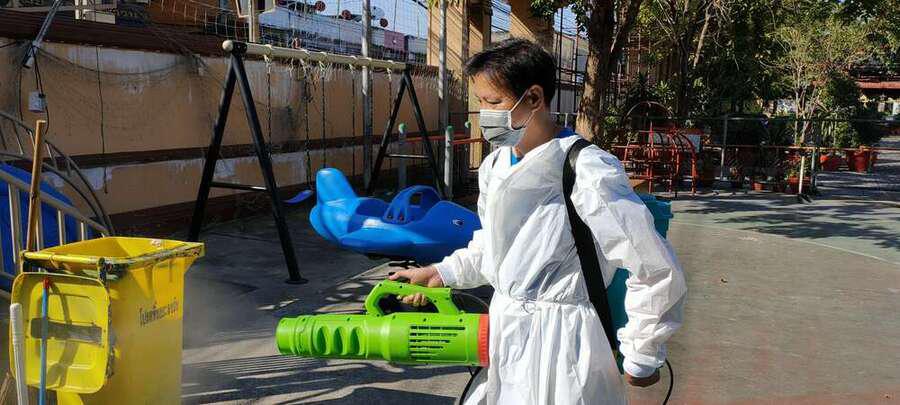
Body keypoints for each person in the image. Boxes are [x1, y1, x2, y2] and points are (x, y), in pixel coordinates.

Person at [389, 38, 687, 405]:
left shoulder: (585, 169)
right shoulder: (495, 165)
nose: (484, 114)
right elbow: (492, 249)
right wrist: (439, 273)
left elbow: (653, 266)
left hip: (566, 344)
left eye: (493, 102)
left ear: (533, 98)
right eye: (480, 102)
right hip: (507, 332)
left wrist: (642, 352)